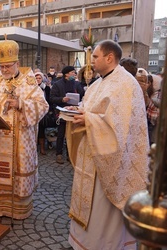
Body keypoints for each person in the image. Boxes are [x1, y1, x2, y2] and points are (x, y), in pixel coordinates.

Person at [66, 40, 149, 249]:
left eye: (95, 57)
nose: (91, 61)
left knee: (103, 211)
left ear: (109, 58)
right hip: (91, 155)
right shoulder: (98, 84)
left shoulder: (125, 85)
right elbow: (90, 109)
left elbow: (119, 129)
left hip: (111, 161)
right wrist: (79, 113)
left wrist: (89, 120)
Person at [0, 38, 49, 219]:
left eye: (8, 66)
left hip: (21, 139)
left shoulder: (29, 82)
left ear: (17, 63)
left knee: (19, 169)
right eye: (2, 67)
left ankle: (18, 209)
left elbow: (43, 105)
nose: (4, 70)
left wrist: (21, 104)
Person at [50, 65, 84, 164]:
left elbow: (82, 96)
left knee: (73, 134)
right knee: (61, 133)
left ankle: (70, 154)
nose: (74, 74)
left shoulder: (76, 84)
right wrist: (62, 99)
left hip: (74, 111)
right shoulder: (57, 84)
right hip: (62, 111)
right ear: (66, 74)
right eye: (73, 72)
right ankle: (59, 154)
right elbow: (52, 98)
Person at [35, 72, 52, 155]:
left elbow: (49, 100)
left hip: (42, 111)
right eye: (36, 78)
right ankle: (34, 147)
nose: (38, 80)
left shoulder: (46, 88)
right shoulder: (32, 88)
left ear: (42, 79)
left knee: (41, 128)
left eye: (39, 78)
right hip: (33, 111)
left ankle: (42, 147)